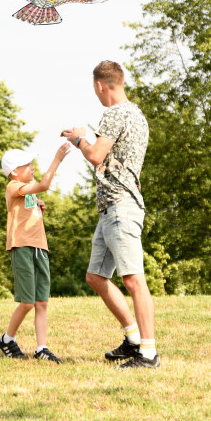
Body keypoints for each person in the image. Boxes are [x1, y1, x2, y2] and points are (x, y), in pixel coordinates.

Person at [62, 60, 159, 369]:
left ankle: (149, 352)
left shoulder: (116, 113)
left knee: (133, 279)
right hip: (111, 209)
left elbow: (95, 154)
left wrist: (78, 138)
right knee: (96, 277)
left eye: (96, 90)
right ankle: (132, 339)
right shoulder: (138, 115)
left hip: (121, 206)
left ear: (100, 85)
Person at [0, 143, 72, 364]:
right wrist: (57, 158)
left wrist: (38, 206)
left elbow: (29, 209)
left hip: (40, 248)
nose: (31, 167)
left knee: (41, 301)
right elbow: (44, 185)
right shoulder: (13, 186)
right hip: (22, 248)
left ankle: (42, 348)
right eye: (26, 165)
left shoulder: (27, 191)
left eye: (31, 163)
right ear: (13, 172)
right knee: (27, 302)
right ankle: (7, 339)